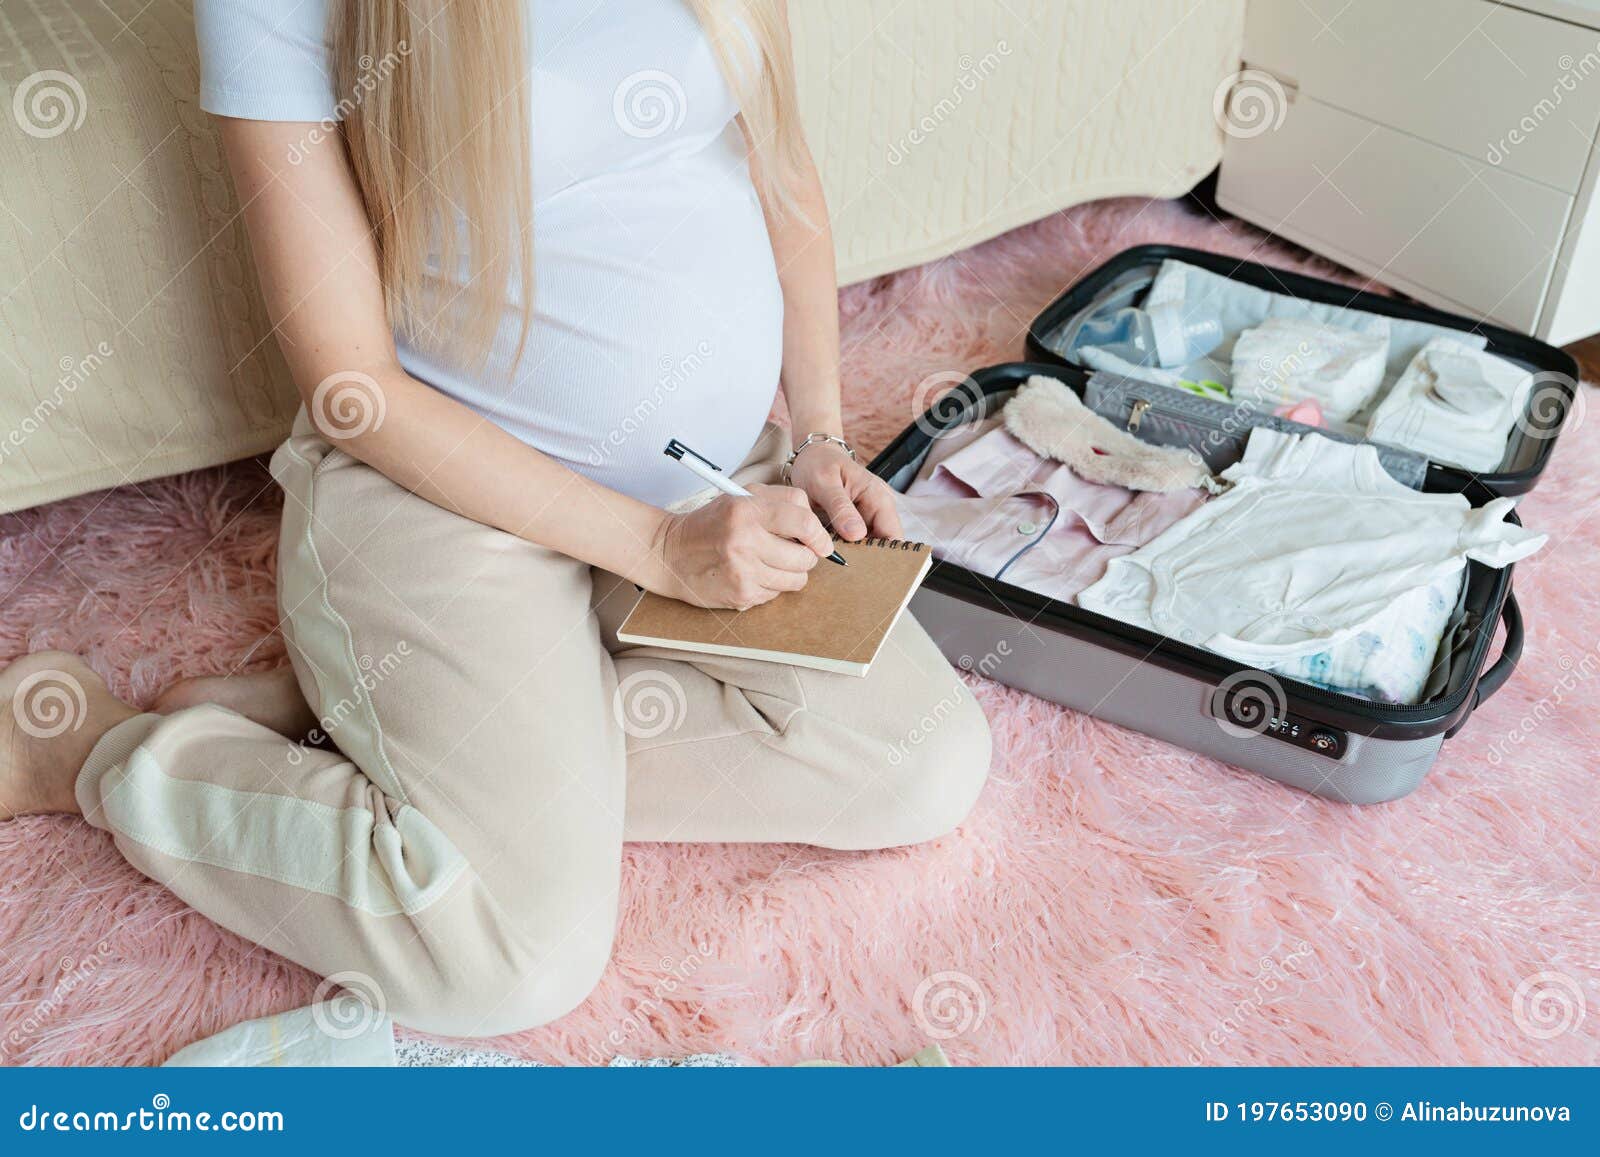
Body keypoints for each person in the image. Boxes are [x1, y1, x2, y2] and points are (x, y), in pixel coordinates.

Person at [0, 0, 990, 1037]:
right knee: (510, 955)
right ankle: (101, 757)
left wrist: (820, 434)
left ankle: (389, 729)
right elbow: (354, 384)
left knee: (918, 763)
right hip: (439, 496)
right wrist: (658, 549)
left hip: (699, 477)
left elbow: (778, 169)